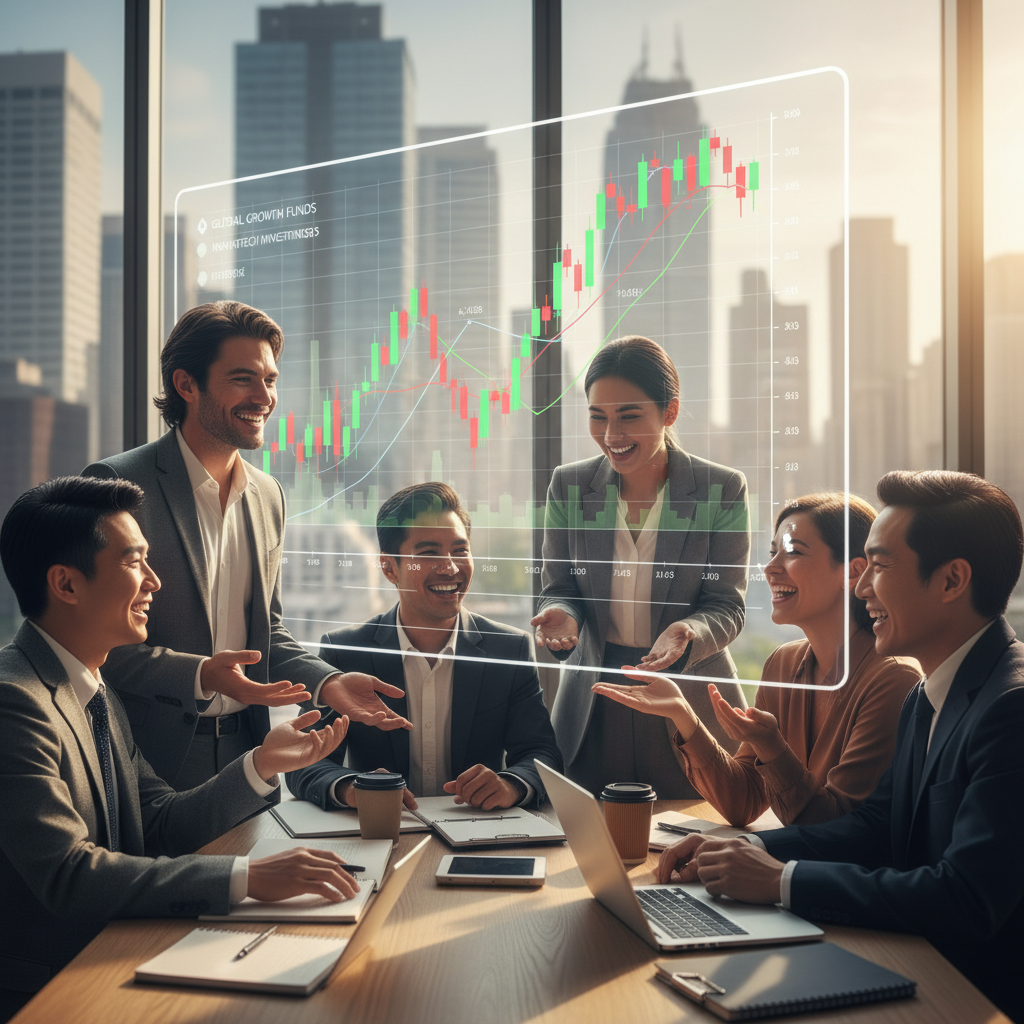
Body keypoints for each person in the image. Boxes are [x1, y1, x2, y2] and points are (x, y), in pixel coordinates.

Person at [656, 470, 1024, 1024]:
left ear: (951, 581)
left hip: (966, 996)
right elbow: (876, 827)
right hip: (910, 960)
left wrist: (780, 881)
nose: (862, 588)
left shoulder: (1009, 708)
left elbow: (965, 899)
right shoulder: (928, 693)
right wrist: (758, 853)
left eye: (879, 567)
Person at [0, 476, 362, 1021]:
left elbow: (160, 822)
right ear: (66, 585)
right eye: (134, 562)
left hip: (121, 952)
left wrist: (262, 764)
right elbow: (69, 875)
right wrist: (246, 877)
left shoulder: (94, 689)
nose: (154, 582)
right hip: (54, 987)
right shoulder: (15, 702)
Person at [83, 301, 411, 790]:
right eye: (243, 379)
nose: (264, 397)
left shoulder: (268, 495)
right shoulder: (117, 486)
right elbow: (93, 642)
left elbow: (267, 633)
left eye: (271, 380)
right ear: (186, 384)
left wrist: (328, 682)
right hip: (148, 759)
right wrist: (203, 675)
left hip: (250, 756)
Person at [592, 493, 921, 826]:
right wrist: (683, 715)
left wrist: (771, 746)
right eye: (773, 551)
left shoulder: (893, 681)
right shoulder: (783, 663)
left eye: (793, 552)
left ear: (853, 573)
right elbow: (744, 802)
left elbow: (837, 831)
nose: (770, 567)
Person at [530, 335, 749, 797]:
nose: (613, 435)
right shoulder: (569, 486)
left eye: (629, 416)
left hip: (685, 694)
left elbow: (727, 606)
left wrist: (688, 631)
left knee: (691, 840)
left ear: (669, 412)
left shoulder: (721, 488)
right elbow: (559, 586)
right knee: (588, 845)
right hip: (596, 696)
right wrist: (563, 615)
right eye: (598, 417)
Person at [287, 482, 563, 811]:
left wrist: (511, 784)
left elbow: (541, 754)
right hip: (383, 831)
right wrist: (352, 789)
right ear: (390, 568)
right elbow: (304, 760)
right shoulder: (345, 651)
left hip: (477, 833)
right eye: (428, 554)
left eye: (460, 550)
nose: (449, 567)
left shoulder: (509, 650)